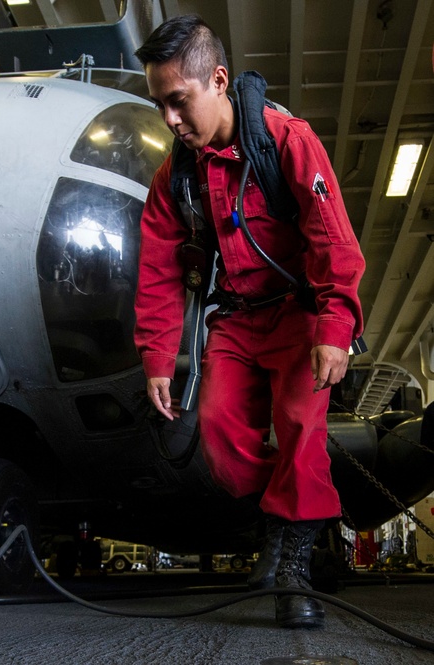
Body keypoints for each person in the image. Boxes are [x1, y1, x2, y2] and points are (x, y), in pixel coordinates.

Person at [132, 15, 365, 629]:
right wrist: (158, 357)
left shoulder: (288, 142)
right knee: (221, 441)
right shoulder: (175, 177)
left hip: (299, 318)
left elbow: (333, 242)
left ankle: (293, 568)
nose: (170, 121)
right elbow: (157, 267)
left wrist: (335, 328)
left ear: (217, 80)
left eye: (178, 102)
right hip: (235, 322)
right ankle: (297, 521)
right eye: (159, 105)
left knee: (299, 432)